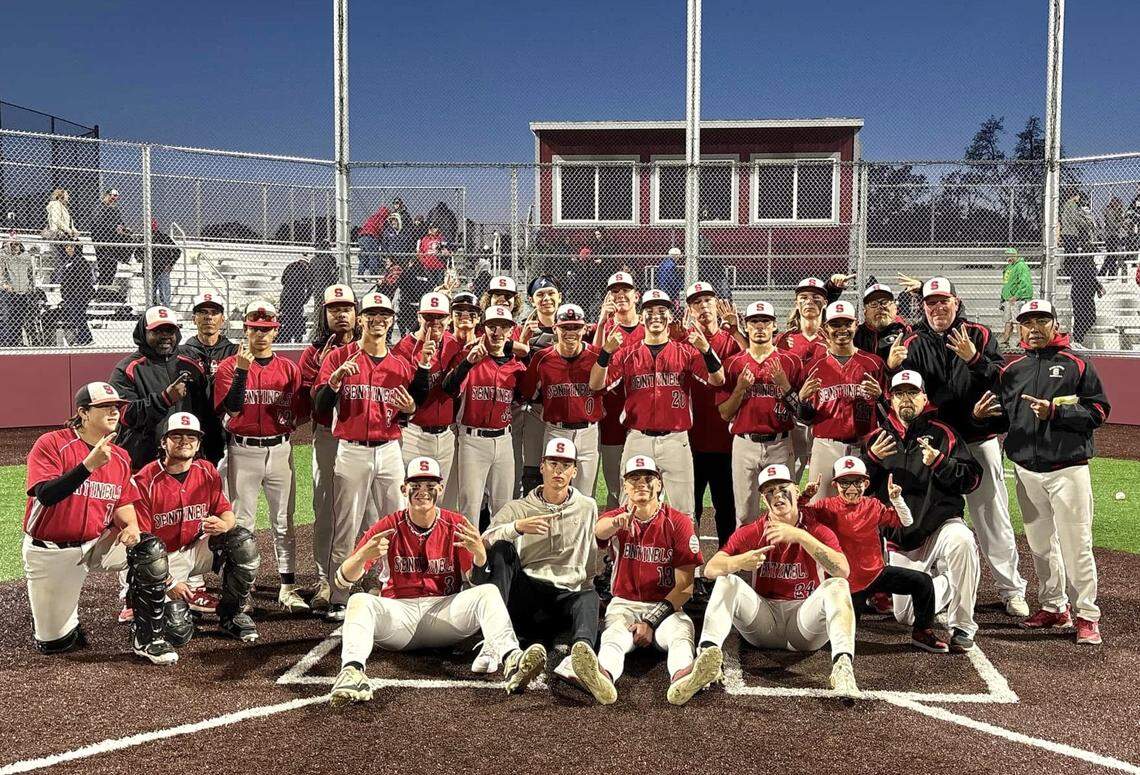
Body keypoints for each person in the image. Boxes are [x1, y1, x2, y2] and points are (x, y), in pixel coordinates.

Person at [329, 456, 547, 706]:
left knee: (487, 592)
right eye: (416, 485)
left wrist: (478, 555)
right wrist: (362, 557)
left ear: (440, 489)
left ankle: (512, 658)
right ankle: (352, 671)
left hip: (445, 613)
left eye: (430, 486)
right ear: (404, 489)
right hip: (399, 617)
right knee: (358, 600)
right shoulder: (388, 525)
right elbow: (343, 581)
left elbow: (476, 582)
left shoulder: (456, 525)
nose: (423, 492)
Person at [970, 300, 1110, 645]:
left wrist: (1056, 414)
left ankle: (1087, 615)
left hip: (1068, 469)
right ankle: (1053, 606)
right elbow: (1007, 418)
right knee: (1040, 544)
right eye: (1027, 322)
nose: (1033, 328)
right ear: (1019, 329)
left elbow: (1099, 411)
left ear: (1055, 324)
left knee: (1077, 545)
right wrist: (981, 417)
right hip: (1026, 470)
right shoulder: (1012, 371)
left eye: (1041, 321)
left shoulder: (1076, 365)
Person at [896, 277, 1029, 617]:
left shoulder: (980, 335)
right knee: (935, 515)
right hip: (935, 443)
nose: (938, 308)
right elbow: (906, 396)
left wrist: (974, 360)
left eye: (944, 301)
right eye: (931, 303)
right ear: (922, 307)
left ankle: (1011, 589)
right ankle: (940, 586)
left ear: (956, 302)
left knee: (991, 515)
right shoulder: (912, 342)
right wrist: (891, 368)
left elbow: (1007, 381)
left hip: (977, 439)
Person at [22, 382, 175, 664]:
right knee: (56, 643)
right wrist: (88, 466)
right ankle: (58, 621)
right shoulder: (52, 443)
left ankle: (149, 637)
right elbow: (46, 494)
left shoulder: (120, 456)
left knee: (147, 547)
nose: (114, 411)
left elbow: (123, 501)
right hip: (52, 549)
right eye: (105, 406)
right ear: (83, 412)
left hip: (96, 542)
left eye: (117, 406)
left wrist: (130, 526)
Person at [691, 463, 860, 701]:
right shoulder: (754, 530)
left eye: (783, 488)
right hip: (764, 622)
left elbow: (842, 570)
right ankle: (707, 655)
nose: (777, 496)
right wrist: (741, 561)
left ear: (795, 489)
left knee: (838, 586)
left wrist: (801, 536)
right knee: (727, 580)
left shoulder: (816, 529)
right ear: (763, 498)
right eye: (770, 492)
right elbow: (710, 569)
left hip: (804, 624)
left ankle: (843, 667)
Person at [315, 292, 427, 620]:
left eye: (385, 314)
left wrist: (410, 410)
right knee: (346, 523)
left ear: (391, 320)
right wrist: (334, 383)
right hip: (350, 450)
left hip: (390, 449)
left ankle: (392, 585)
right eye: (372, 314)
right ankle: (339, 593)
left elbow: (407, 412)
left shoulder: (401, 365)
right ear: (361, 318)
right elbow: (321, 410)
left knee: (396, 519)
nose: (378, 320)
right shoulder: (339, 357)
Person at [574, 455, 716, 706]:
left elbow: (685, 587)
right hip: (624, 604)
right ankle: (603, 678)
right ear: (625, 486)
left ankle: (683, 679)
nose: (641, 484)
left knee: (681, 635)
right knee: (614, 637)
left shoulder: (679, 522)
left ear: (659, 484)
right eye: (634, 479)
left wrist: (651, 621)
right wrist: (616, 524)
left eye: (648, 478)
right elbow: (599, 530)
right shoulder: (617, 517)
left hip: (667, 607)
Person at [863, 370, 983, 652]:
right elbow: (856, 490)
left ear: (924, 398)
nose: (907, 399)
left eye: (913, 393)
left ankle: (963, 625)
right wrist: (871, 461)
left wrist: (941, 463)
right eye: (900, 393)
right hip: (901, 536)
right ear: (890, 400)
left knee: (963, 541)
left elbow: (973, 479)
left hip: (941, 525)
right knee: (906, 616)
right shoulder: (877, 439)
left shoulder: (943, 434)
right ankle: (947, 583)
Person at [589, 289, 726, 521]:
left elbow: (718, 379)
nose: (655, 316)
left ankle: (685, 557)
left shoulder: (686, 352)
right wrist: (605, 353)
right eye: (649, 311)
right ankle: (624, 557)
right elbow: (595, 384)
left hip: (676, 439)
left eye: (662, 311)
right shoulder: (627, 354)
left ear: (670, 317)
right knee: (630, 505)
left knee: (683, 510)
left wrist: (706, 349)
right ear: (641, 317)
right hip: (638, 438)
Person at [474, 439, 601, 684]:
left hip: (565, 597)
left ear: (575, 471)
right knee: (502, 548)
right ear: (541, 467)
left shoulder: (587, 507)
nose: (559, 471)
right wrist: (515, 528)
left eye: (566, 465)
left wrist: (590, 585)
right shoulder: (519, 507)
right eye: (553, 463)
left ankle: (578, 658)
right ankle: (493, 641)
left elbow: (590, 556)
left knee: (590, 596)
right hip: (527, 596)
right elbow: (484, 542)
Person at [132, 412, 261, 645]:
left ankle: (232, 615)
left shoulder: (206, 471)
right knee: (177, 635)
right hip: (160, 562)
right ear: (164, 442)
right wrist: (169, 582)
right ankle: (142, 610)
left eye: (191, 437)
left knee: (242, 542)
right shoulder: (145, 480)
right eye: (177, 436)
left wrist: (224, 524)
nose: (185, 442)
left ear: (199, 443)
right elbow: (142, 545)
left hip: (194, 548)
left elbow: (226, 513)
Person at [214, 300, 308, 613]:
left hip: (280, 449)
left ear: (275, 331)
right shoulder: (230, 366)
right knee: (242, 523)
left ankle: (287, 586)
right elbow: (232, 408)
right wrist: (242, 370)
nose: (262, 335)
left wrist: (291, 422)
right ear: (246, 330)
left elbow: (300, 411)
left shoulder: (288, 369)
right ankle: (243, 590)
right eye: (256, 329)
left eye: (267, 330)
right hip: (242, 451)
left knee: (284, 520)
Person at [810, 456, 949, 653]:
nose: (852, 488)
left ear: (866, 483)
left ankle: (922, 633)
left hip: (876, 574)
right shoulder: (825, 508)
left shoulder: (873, 505)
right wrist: (804, 497)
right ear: (835, 485)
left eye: (857, 482)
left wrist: (896, 500)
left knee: (923, 582)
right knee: (841, 640)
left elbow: (906, 521)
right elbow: (797, 517)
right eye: (845, 482)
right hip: (846, 583)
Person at [717, 301, 801, 542]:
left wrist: (784, 385)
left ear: (775, 326)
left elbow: (800, 410)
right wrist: (740, 389)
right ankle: (747, 571)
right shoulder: (733, 364)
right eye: (754, 322)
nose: (760, 327)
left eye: (765, 321)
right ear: (747, 326)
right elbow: (724, 412)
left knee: (786, 511)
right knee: (745, 514)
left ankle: (782, 571)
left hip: (780, 443)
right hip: (745, 444)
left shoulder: (791, 362)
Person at [298, 284, 359, 610]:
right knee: (324, 506)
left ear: (356, 313)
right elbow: (315, 403)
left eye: (347, 308)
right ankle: (324, 578)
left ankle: (358, 574)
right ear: (325, 314)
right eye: (334, 309)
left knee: (362, 509)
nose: (341, 314)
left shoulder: (371, 346)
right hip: (328, 436)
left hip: (362, 439)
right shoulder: (313, 353)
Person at [441, 304, 528, 530]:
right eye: (492, 326)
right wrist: (468, 362)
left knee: (503, 505)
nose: (497, 332)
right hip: (472, 439)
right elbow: (449, 388)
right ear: (484, 328)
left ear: (511, 330)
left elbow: (527, 394)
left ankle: (499, 563)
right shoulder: (469, 356)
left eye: (503, 327)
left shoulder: (516, 366)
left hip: (504, 440)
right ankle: (469, 563)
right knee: (470, 504)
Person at [796, 300, 886, 502]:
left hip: (863, 446)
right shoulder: (813, 367)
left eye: (847, 323)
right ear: (825, 328)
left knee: (862, 509)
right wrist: (802, 401)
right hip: (825, 444)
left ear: (856, 324)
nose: (842, 330)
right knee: (819, 506)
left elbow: (888, 412)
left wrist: (880, 397)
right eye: (836, 324)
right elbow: (806, 419)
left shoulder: (873, 363)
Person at [110, 306, 211, 471]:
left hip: (186, 460)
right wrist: (164, 399)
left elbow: (205, 414)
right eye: (157, 331)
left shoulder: (191, 364)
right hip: (142, 461)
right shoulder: (128, 368)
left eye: (169, 331)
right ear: (144, 332)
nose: (165, 336)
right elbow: (124, 414)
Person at [521, 303, 604, 495]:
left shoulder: (596, 356)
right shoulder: (542, 358)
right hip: (556, 430)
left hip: (588, 431)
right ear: (555, 329)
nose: (570, 332)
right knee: (554, 492)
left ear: (585, 329)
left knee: (584, 496)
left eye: (575, 327)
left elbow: (604, 389)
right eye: (565, 327)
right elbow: (527, 392)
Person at [685, 281, 743, 543]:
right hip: (691, 440)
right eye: (697, 302)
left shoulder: (732, 342)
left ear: (717, 305)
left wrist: (738, 330)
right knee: (690, 507)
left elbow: (753, 358)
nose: (703, 306)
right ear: (689, 310)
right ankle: (691, 568)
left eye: (707, 301)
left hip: (726, 440)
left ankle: (726, 567)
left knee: (726, 507)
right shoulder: (682, 343)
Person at [775, 276, 844, 481]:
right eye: (803, 297)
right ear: (796, 302)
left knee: (823, 478)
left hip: (825, 414)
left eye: (816, 297)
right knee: (790, 477)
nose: (809, 301)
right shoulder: (785, 340)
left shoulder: (834, 338)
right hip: (793, 415)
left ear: (825, 302)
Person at [392, 292, 463, 486]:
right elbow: (410, 401)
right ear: (418, 317)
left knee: (440, 499)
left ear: (449, 319)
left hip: (447, 435)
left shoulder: (452, 343)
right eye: (429, 317)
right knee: (411, 495)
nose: (435, 322)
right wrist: (423, 364)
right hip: (415, 434)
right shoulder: (403, 350)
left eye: (440, 316)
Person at [592, 271, 643, 509]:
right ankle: (615, 542)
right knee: (615, 486)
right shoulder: (603, 329)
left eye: (625, 291)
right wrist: (602, 323)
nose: (620, 295)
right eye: (614, 291)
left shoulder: (651, 328)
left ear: (636, 296)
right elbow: (593, 363)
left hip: (643, 419)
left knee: (644, 483)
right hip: (611, 417)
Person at [179, 292, 237, 467]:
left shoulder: (234, 352)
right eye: (202, 312)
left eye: (214, 312)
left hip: (225, 426)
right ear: (193, 318)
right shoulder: (181, 353)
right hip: (191, 423)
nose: (208, 317)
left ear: (223, 319)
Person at [1060, 192, 1100, 345]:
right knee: (1070, 254)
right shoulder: (1071, 205)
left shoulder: (1088, 266)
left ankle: (1079, 336)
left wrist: (1097, 285)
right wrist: (1085, 222)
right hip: (1071, 232)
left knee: (1087, 316)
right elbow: (1075, 220)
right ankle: (1078, 338)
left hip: (1085, 291)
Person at [854, 284, 912, 363]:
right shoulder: (856, 334)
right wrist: (833, 290)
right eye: (873, 304)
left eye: (885, 302)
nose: (880, 307)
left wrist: (921, 290)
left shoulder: (905, 330)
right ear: (865, 311)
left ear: (895, 307)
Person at [90, 189, 133, 293]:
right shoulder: (99, 207)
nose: (114, 198)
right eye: (112, 195)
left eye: (116, 196)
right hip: (102, 241)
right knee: (105, 266)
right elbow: (97, 223)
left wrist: (124, 228)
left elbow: (120, 222)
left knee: (112, 267)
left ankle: (106, 290)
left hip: (113, 242)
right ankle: (102, 291)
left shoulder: (114, 209)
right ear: (106, 195)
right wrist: (115, 227)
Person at [56, 242, 94, 346]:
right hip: (71, 294)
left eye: (71, 247)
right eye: (67, 247)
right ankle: (85, 338)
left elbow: (83, 278)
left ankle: (85, 338)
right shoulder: (67, 261)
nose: (69, 249)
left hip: (79, 294)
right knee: (77, 316)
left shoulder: (81, 261)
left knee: (78, 316)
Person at [1, 237, 37, 347]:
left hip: (23, 292)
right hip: (9, 293)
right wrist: (4, 284)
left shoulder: (25, 256)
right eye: (12, 245)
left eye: (17, 244)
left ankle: (15, 343)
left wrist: (32, 285)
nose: (15, 247)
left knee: (19, 319)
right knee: (8, 319)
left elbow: (31, 272)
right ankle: (6, 343)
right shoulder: (3, 256)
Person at [999, 248, 1034, 348]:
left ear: (1016, 255)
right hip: (1008, 299)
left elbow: (1025, 283)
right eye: (1006, 256)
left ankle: (1021, 341)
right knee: (1008, 321)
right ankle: (1005, 340)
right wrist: (1003, 298)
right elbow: (1006, 284)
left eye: (1010, 256)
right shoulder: (1009, 267)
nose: (1008, 258)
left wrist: (1016, 296)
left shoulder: (1021, 266)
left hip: (1017, 299)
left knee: (1018, 321)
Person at [278, 251, 312, 343]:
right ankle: (297, 338)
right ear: (306, 263)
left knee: (286, 317)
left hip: (285, 296)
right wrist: (306, 298)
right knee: (297, 318)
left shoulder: (290, 266)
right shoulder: (306, 270)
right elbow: (310, 286)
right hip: (298, 298)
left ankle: (285, 338)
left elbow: (283, 281)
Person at [151, 220, 181, 307]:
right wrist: (142, 259)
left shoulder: (163, 237)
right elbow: (138, 252)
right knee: (150, 293)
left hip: (163, 268)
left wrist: (170, 264)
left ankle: (166, 308)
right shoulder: (144, 238)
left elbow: (177, 251)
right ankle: (152, 308)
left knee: (164, 292)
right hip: (149, 269)